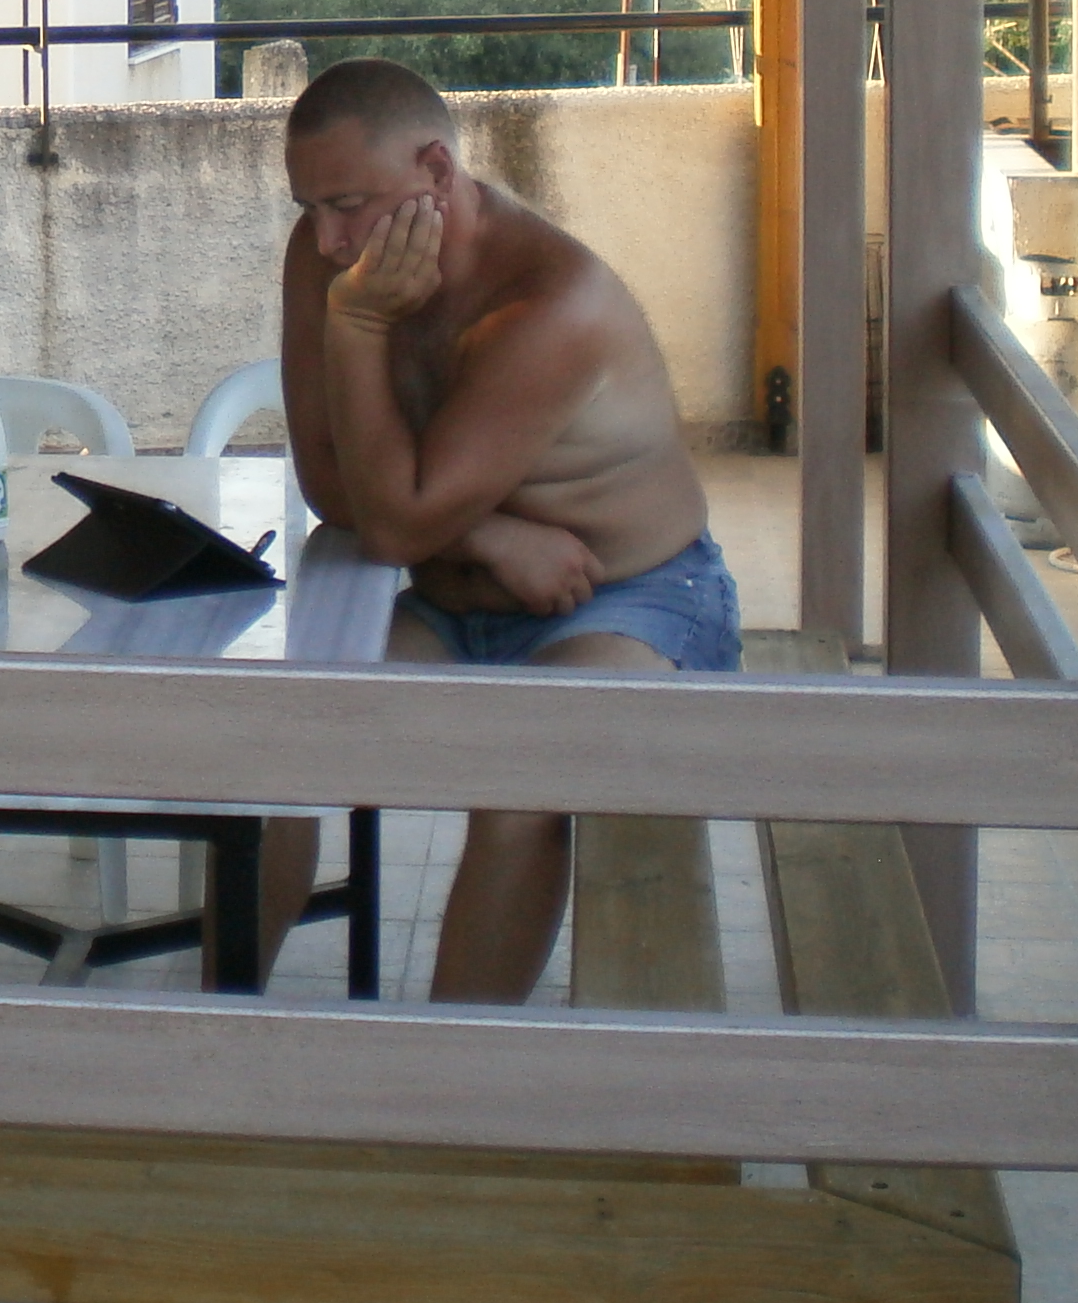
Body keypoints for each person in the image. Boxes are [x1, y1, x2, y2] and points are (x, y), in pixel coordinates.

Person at [259, 55, 738, 1001]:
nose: (328, 241)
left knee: (520, 781)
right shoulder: (329, 264)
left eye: (349, 204)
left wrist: (358, 335)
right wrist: (485, 537)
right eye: (309, 208)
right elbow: (329, 483)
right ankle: (213, 1018)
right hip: (455, 603)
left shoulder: (549, 301)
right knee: (277, 750)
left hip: (628, 600)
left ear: (437, 170)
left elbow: (392, 525)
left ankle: (453, 1069)